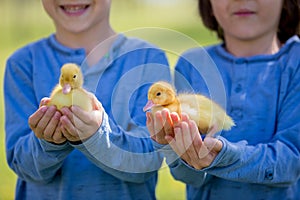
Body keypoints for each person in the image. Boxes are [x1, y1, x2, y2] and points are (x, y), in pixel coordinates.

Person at [4, 0, 171, 199]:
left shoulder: (146, 59)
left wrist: (97, 136)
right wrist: (48, 143)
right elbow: (22, 165)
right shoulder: (23, 64)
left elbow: (149, 160)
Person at [146, 0, 300, 199]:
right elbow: (188, 176)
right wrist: (172, 148)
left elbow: (291, 161)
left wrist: (223, 157)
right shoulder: (192, 65)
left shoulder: (296, 62)